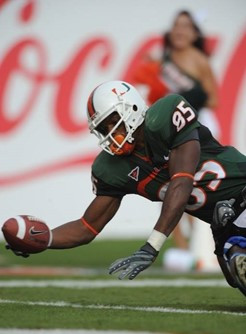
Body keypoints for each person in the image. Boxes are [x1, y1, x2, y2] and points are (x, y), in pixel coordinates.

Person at [3, 80, 246, 297]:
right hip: (226, 220)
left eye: (112, 123)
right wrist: (45, 240)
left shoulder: (164, 116)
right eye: (103, 129)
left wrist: (152, 246)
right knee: (235, 268)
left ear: (131, 109)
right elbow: (87, 227)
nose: (110, 134)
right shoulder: (112, 168)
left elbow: (181, 181)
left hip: (241, 189)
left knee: (234, 248)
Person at [133, 10, 219, 266]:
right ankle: (183, 250)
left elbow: (213, 99)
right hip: (167, 130)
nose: (180, 31)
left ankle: (200, 247)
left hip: (195, 127)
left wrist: (182, 99)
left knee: (189, 185)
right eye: (176, 26)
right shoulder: (162, 61)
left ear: (194, 33)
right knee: (168, 186)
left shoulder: (199, 61)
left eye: (185, 27)